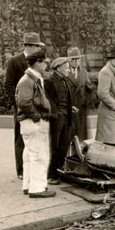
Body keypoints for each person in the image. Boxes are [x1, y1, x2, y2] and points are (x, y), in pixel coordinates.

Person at [4, 32, 45, 180]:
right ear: (29, 46)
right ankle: (21, 170)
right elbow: (8, 85)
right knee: (21, 138)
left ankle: (32, 167)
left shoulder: (37, 62)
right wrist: (17, 104)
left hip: (36, 108)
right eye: (36, 46)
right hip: (22, 107)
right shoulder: (14, 61)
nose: (38, 49)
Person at [15, 50, 55, 198]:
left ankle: (29, 184)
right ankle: (37, 188)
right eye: (44, 62)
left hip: (30, 122)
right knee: (39, 155)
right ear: (37, 62)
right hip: (33, 122)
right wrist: (36, 116)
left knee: (30, 155)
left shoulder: (30, 79)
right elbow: (24, 102)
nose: (46, 65)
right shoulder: (28, 80)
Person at [45, 57, 76, 185]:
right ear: (58, 68)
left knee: (63, 144)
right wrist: (56, 113)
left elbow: (66, 98)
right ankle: (51, 174)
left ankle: (58, 170)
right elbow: (49, 100)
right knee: (54, 145)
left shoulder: (65, 80)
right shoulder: (50, 81)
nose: (69, 70)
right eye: (67, 67)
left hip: (65, 116)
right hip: (57, 118)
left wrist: (70, 107)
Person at [66, 47, 94, 141]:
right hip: (69, 109)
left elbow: (89, 89)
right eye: (74, 59)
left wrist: (86, 102)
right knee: (70, 137)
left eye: (78, 59)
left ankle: (80, 154)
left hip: (81, 108)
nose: (76, 61)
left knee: (81, 137)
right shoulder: (64, 72)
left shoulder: (83, 72)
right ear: (68, 60)